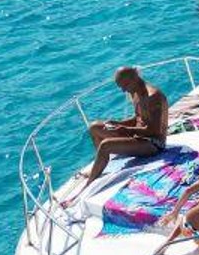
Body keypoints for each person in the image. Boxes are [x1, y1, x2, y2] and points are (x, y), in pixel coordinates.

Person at [72, 67, 169, 196]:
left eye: (125, 85)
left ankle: (90, 183)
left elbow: (154, 131)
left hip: (154, 144)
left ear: (134, 79)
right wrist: (119, 123)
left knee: (106, 145)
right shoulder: (135, 91)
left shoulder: (153, 97)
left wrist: (125, 130)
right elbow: (138, 119)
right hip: (138, 136)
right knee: (94, 128)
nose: (123, 90)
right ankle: (101, 165)